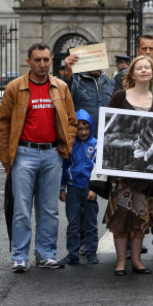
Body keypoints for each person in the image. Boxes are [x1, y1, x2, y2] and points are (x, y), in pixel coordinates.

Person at [0, 43, 78, 273]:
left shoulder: (60, 87)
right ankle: (20, 257)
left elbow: (71, 121)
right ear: (28, 62)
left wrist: (65, 146)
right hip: (24, 153)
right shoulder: (15, 87)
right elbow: (3, 123)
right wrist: (6, 157)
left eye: (46, 60)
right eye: (37, 60)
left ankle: (46, 255)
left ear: (51, 60)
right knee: (22, 208)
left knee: (49, 209)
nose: (42, 65)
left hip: (52, 154)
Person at [104, 55, 153, 275]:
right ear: (131, 73)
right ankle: (121, 262)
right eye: (139, 68)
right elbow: (108, 132)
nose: (143, 71)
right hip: (120, 169)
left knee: (141, 216)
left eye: (147, 68)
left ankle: (137, 261)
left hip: (145, 172)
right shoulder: (120, 97)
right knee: (120, 216)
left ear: (152, 73)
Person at [59, 109, 99, 266]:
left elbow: (98, 170)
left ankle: (91, 252)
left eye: (86, 128)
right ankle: (73, 254)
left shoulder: (96, 145)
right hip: (73, 188)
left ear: (91, 127)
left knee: (90, 223)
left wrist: (95, 189)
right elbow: (64, 167)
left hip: (89, 189)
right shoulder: (70, 146)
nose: (83, 132)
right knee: (73, 224)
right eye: (79, 128)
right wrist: (62, 189)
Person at [63, 52, 115, 137]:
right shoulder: (75, 81)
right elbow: (64, 97)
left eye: (96, 60)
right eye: (90, 60)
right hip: (82, 140)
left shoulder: (110, 83)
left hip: (104, 140)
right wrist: (67, 74)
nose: (94, 64)